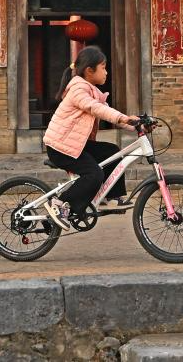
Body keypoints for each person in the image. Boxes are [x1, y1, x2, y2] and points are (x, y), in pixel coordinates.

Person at [42, 45, 138, 230]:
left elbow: (107, 111)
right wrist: (124, 118)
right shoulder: (78, 89)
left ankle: (113, 198)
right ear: (89, 70)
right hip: (61, 147)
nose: (106, 72)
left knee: (112, 152)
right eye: (103, 67)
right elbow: (96, 109)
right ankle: (59, 204)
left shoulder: (92, 91)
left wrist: (135, 124)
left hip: (76, 145)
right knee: (93, 174)